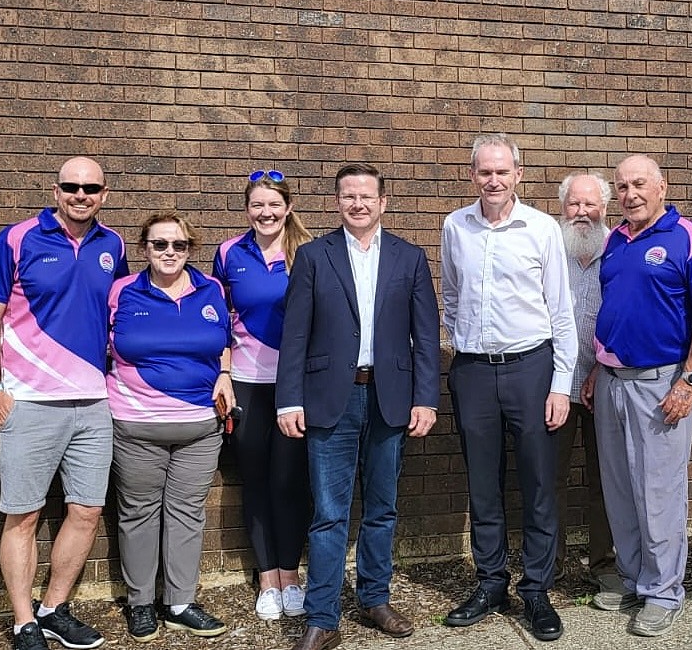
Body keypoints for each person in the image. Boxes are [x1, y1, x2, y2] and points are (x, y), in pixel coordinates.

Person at [276, 164, 440, 650]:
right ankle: (323, 618)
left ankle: (374, 598)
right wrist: (289, 399)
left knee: (383, 508)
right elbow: (295, 337)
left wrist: (426, 398)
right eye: (349, 196)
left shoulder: (409, 258)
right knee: (329, 513)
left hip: (390, 397)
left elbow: (426, 337)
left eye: (367, 196)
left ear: (383, 201)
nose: (358, 204)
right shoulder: (312, 256)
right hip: (331, 398)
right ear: (337, 202)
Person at [0, 157, 128, 650]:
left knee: (86, 510)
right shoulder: (17, 238)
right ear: (56, 190)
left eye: (91, 187)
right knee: (22, 515)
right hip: (28, 401)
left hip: (93, 403)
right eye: (71, 186)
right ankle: (24, 622)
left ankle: (53, 608)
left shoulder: (114, 245)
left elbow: (119, 316)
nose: (80, 194)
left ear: (104, 193)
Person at [582, 154, 692, 638]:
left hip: (662, 383)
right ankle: (632, 578)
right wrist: (597, 366)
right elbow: (613, 306)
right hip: (611, 381)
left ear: (662, 186)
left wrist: (690, 380)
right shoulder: (616, 240)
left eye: (639, 184)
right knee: (619, 487)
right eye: (622, 187)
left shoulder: (686, 234)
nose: (631, 194)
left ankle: (664, 593)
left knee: (658, 491)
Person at [441, 134, 577, 642]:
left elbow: (561, 312)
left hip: (531, 368)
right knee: (483, 483)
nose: (493, 180)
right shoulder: (455, 226)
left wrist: (559, 385)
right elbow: (451, 295)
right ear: (471, 175)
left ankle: (536, 589)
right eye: (484, 172)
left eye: (502, 171)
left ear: (518, 174)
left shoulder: (542, 229)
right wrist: (462, 343)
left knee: (539, 483)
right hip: (474, 371)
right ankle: (490, 581)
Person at [108, 211, 233, 642]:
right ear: (144, 248)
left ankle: (179, 602)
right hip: (136, 425)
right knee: (138, 515)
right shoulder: (121, 291)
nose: (169, 253)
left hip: (200, 428)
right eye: (159, 244)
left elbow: (225, 342)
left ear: (190, 249)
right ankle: (141, 603)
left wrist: (225, 373)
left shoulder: (211, 288)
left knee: (187, 515)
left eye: (178, 245)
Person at [213, 170, 313, 621]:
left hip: (296, 385)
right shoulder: (228, 253)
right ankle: (267, 577)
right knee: (254, 481)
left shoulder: (309, 253)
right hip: (248, 384)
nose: (266, 212)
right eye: (257, 204)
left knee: (290, 482)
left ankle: (291, 574)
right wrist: (224, 372)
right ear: (247, 208)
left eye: (274, 204)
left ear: (288, 207)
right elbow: (219, 319)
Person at [553, 171, 618, 591]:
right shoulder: (547, 248)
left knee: (607, 477)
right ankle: (549, 562)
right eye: (574, 204)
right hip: (554, 383)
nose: (582, 212)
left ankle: (605, 563)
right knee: (549, 476)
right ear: (562, 207)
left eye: (590, 204)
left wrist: (601, 364)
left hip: (605, 381)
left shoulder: (619, 248)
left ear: (604, 208)